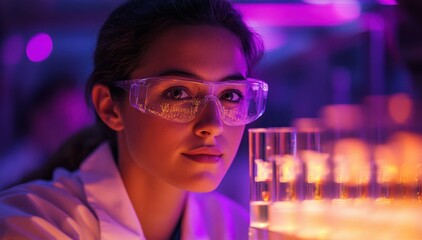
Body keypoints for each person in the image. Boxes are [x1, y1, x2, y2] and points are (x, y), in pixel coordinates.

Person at [0, 0, 268, 239]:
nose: (213, 125)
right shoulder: (30, 226)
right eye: (178, 93)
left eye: (231, 96)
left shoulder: (238, 229)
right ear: (110, 108)